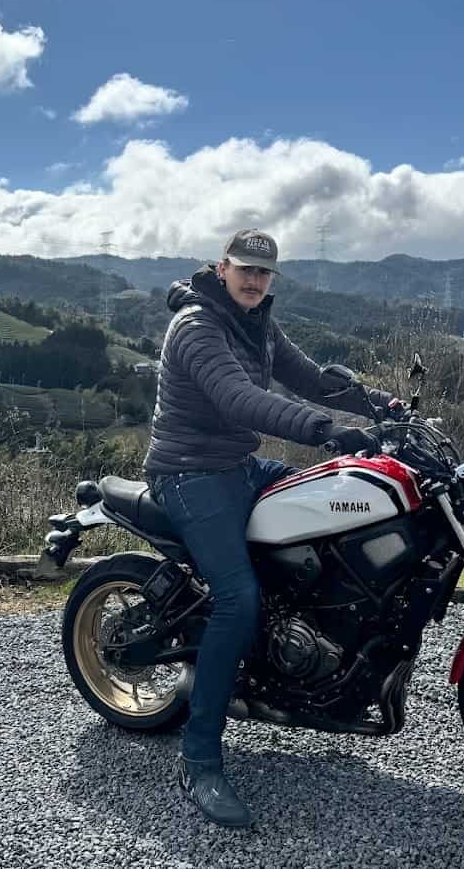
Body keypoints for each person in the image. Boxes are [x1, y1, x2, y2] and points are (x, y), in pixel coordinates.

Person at [143, 228, 395, 829]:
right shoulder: (199, 326)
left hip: (241, 466)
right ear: (222, 267)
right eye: (245, 269)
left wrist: (381, 407)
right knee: (237, 599)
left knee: (336, 502)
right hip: (190, 473)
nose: (254, 280)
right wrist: (322, 428)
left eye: (264, 273)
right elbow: (236, 399)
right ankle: (200, 756)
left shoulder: (257, 322)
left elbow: (309, 378)